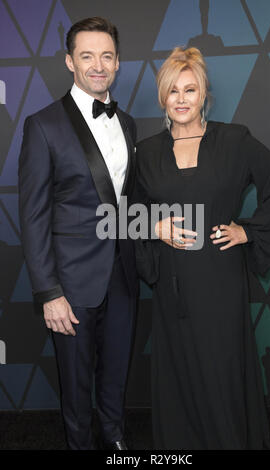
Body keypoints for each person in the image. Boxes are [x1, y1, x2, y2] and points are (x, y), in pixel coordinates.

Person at [135, 46, 270, 450]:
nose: (181, 99)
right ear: (162, 98)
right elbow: (124, 214)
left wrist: (247, 231)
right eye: (173, 91)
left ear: (204, 95)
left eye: (190, 90)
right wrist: (154, 227)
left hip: (221, 281)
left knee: (221, 370)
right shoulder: (147, 152)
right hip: (172, 283)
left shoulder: (233, 139)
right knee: (180, 375)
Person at [18, 16, 138, 450]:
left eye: (106, 56)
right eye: (87, 56)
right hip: (69, 285)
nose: (98, 65)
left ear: (118, 63)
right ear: (70, 61)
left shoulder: (127, 125)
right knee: (76, 388)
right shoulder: (43, 125)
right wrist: (49, 292)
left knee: (116, 377)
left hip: (123, 279)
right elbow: (32, 215)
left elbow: (126, 204)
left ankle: (116, 442)